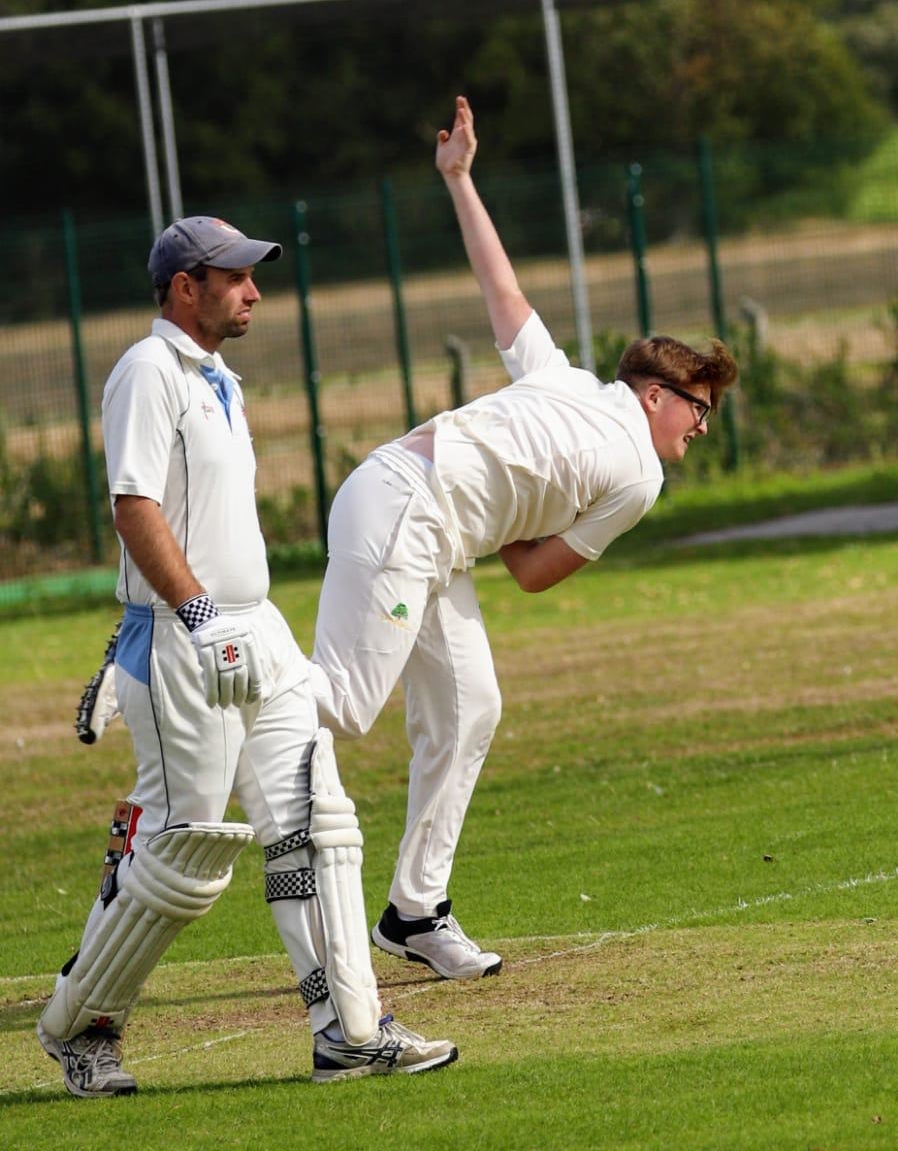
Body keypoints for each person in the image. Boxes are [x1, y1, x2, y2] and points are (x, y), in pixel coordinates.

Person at [307, 96, 738, 981]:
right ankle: (198, 669)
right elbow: (537, 572)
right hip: (407, 506)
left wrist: (460, 180)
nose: (702, 427)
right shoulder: (639, 473)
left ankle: (414, 911)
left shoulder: (563, 375)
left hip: (429, 526)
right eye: (699, 407)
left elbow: (500, 290)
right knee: (345, 704)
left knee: (472, 706)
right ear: (655, 392)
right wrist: (517, 513)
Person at [37, 216, 458, 1097]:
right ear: (185, 287)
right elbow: (134, 506)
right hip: (186, 635)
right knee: (186, 856)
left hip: (257, 628)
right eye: (235, 277)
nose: (254, 291)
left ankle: (350, 1031)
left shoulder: (219, 377)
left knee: (318, 822)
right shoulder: (148, 371)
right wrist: (192, 617)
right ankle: (81, 1027)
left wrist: (237, 619)